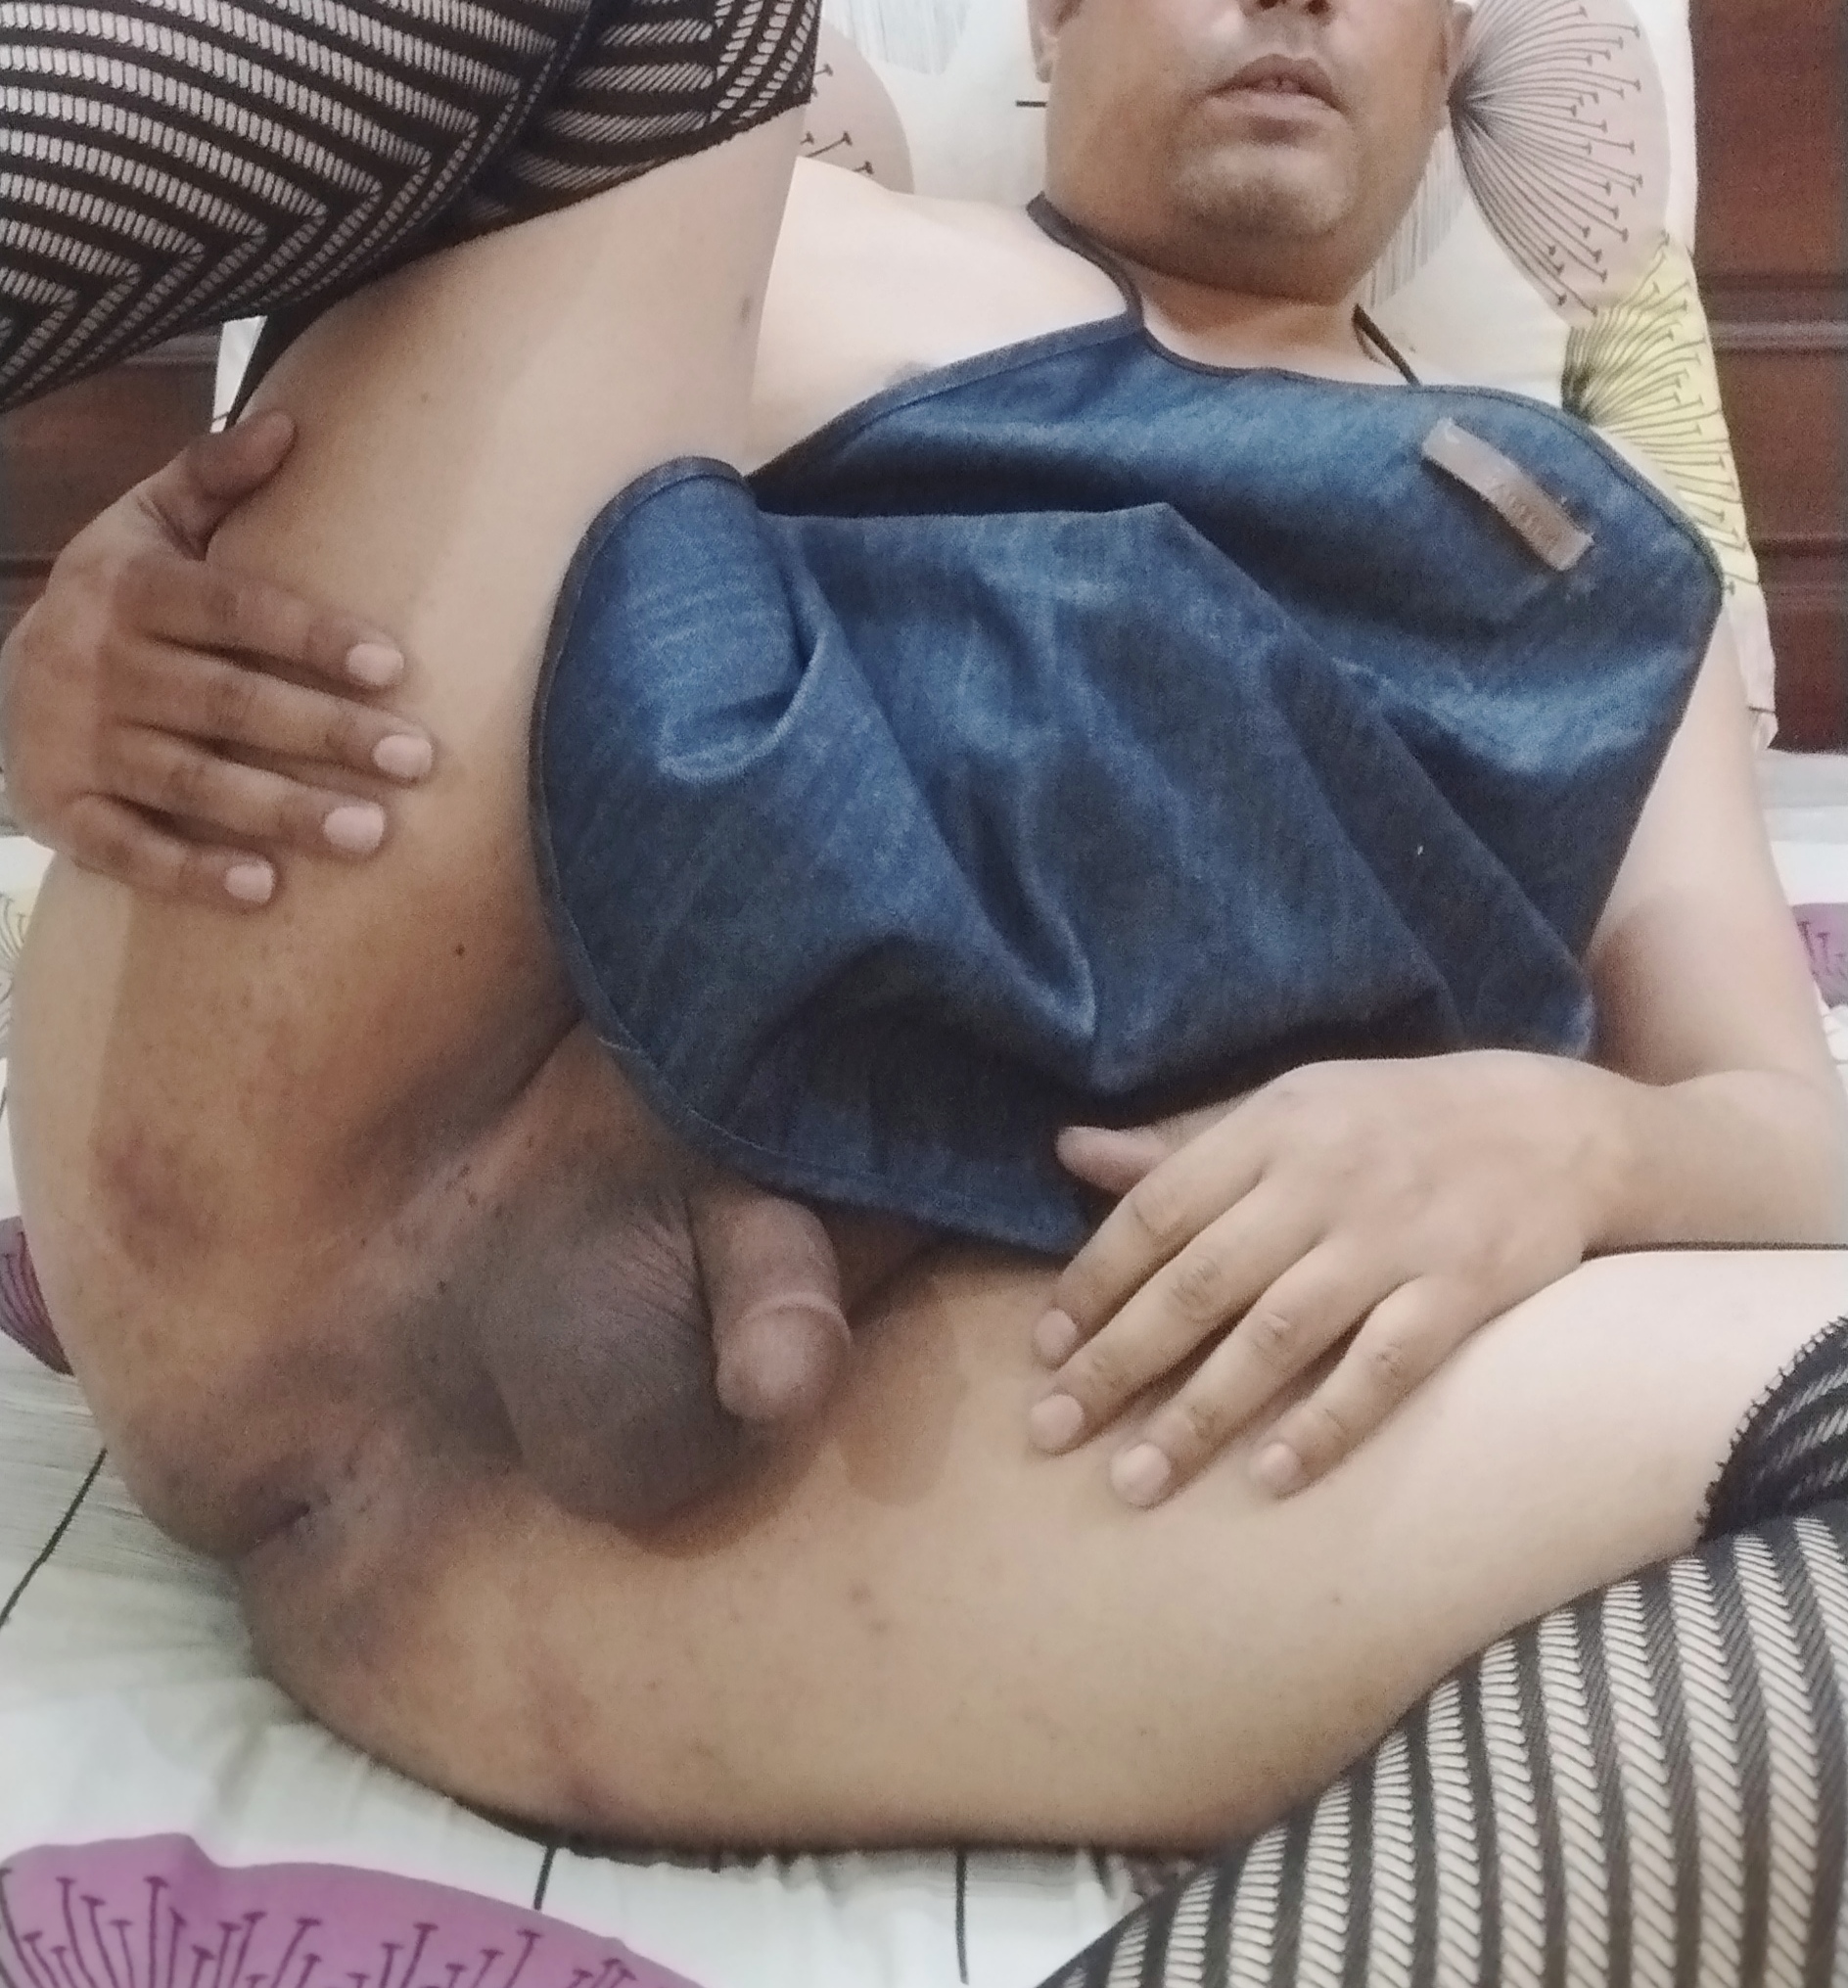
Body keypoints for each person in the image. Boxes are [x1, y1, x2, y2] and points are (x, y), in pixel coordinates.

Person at [4, 1, 1848, 1980]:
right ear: (1055, 15)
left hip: (901, 1444)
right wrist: (70, 645)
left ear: (1449, 51)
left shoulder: (1595, 567)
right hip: (348, 1074)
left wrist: (1572, 1142)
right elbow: (344, 479)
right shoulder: (780, 239)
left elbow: (1789, 1133)